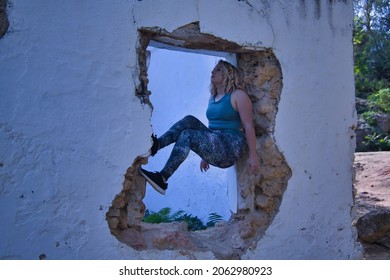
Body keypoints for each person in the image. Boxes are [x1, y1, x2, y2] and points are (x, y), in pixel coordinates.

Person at [140, 60, 259, 195]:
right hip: (217, 141)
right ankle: (156, 146)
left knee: (188, 134)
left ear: (228, 74)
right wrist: (205, 152)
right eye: (214, 69)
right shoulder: (213, 97)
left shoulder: (238, 95)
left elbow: (249, 126)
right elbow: (212, 128)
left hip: (231, 147)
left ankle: (162, 178)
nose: (212, 72)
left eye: (218, 69)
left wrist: (253, 156)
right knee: (189, 120)